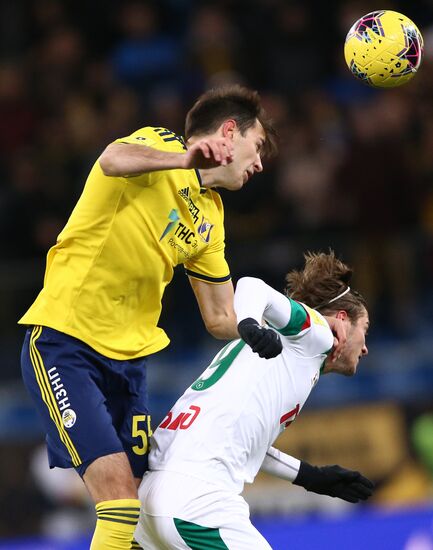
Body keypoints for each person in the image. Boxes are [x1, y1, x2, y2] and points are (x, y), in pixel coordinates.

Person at [19, 85, 345, 549]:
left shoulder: (211, 217)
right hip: (65, 342)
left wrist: (252, 327)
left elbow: (219, 316)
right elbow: (112, 158)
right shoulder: (161, 146)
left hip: (129, 365)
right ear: (229, 133)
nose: (259, 164)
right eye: (256, 147)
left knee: (137, 516)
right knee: (120, 503)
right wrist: (183, 159)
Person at [134, 251, 374, 550]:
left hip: (151, 504)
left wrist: (311, 477)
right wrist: (248, 323)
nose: (365, 348)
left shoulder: (274, 361)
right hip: (197, 502)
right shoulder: (320, 333)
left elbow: (247, 441)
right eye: (365, 329)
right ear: (342, 319)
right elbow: (251, 286)